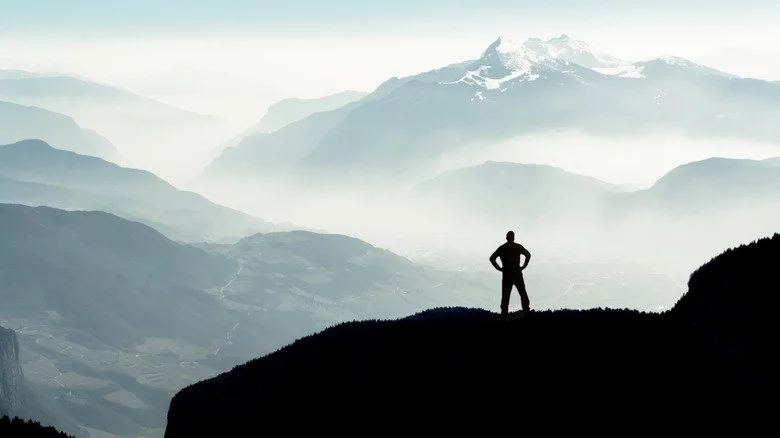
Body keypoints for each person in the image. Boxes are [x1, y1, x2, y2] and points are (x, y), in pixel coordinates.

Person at [489, 231, 531, 318]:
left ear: (506, 237)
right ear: (513, 237)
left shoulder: (502, 248)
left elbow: (492, 258)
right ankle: (526, 312)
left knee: (505, 296)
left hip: (507, 275)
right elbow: (528, 255)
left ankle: (504, 316)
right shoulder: (517, 247)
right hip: (517, 274)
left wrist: (499, 268)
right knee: (523, 294)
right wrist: (523, 266)